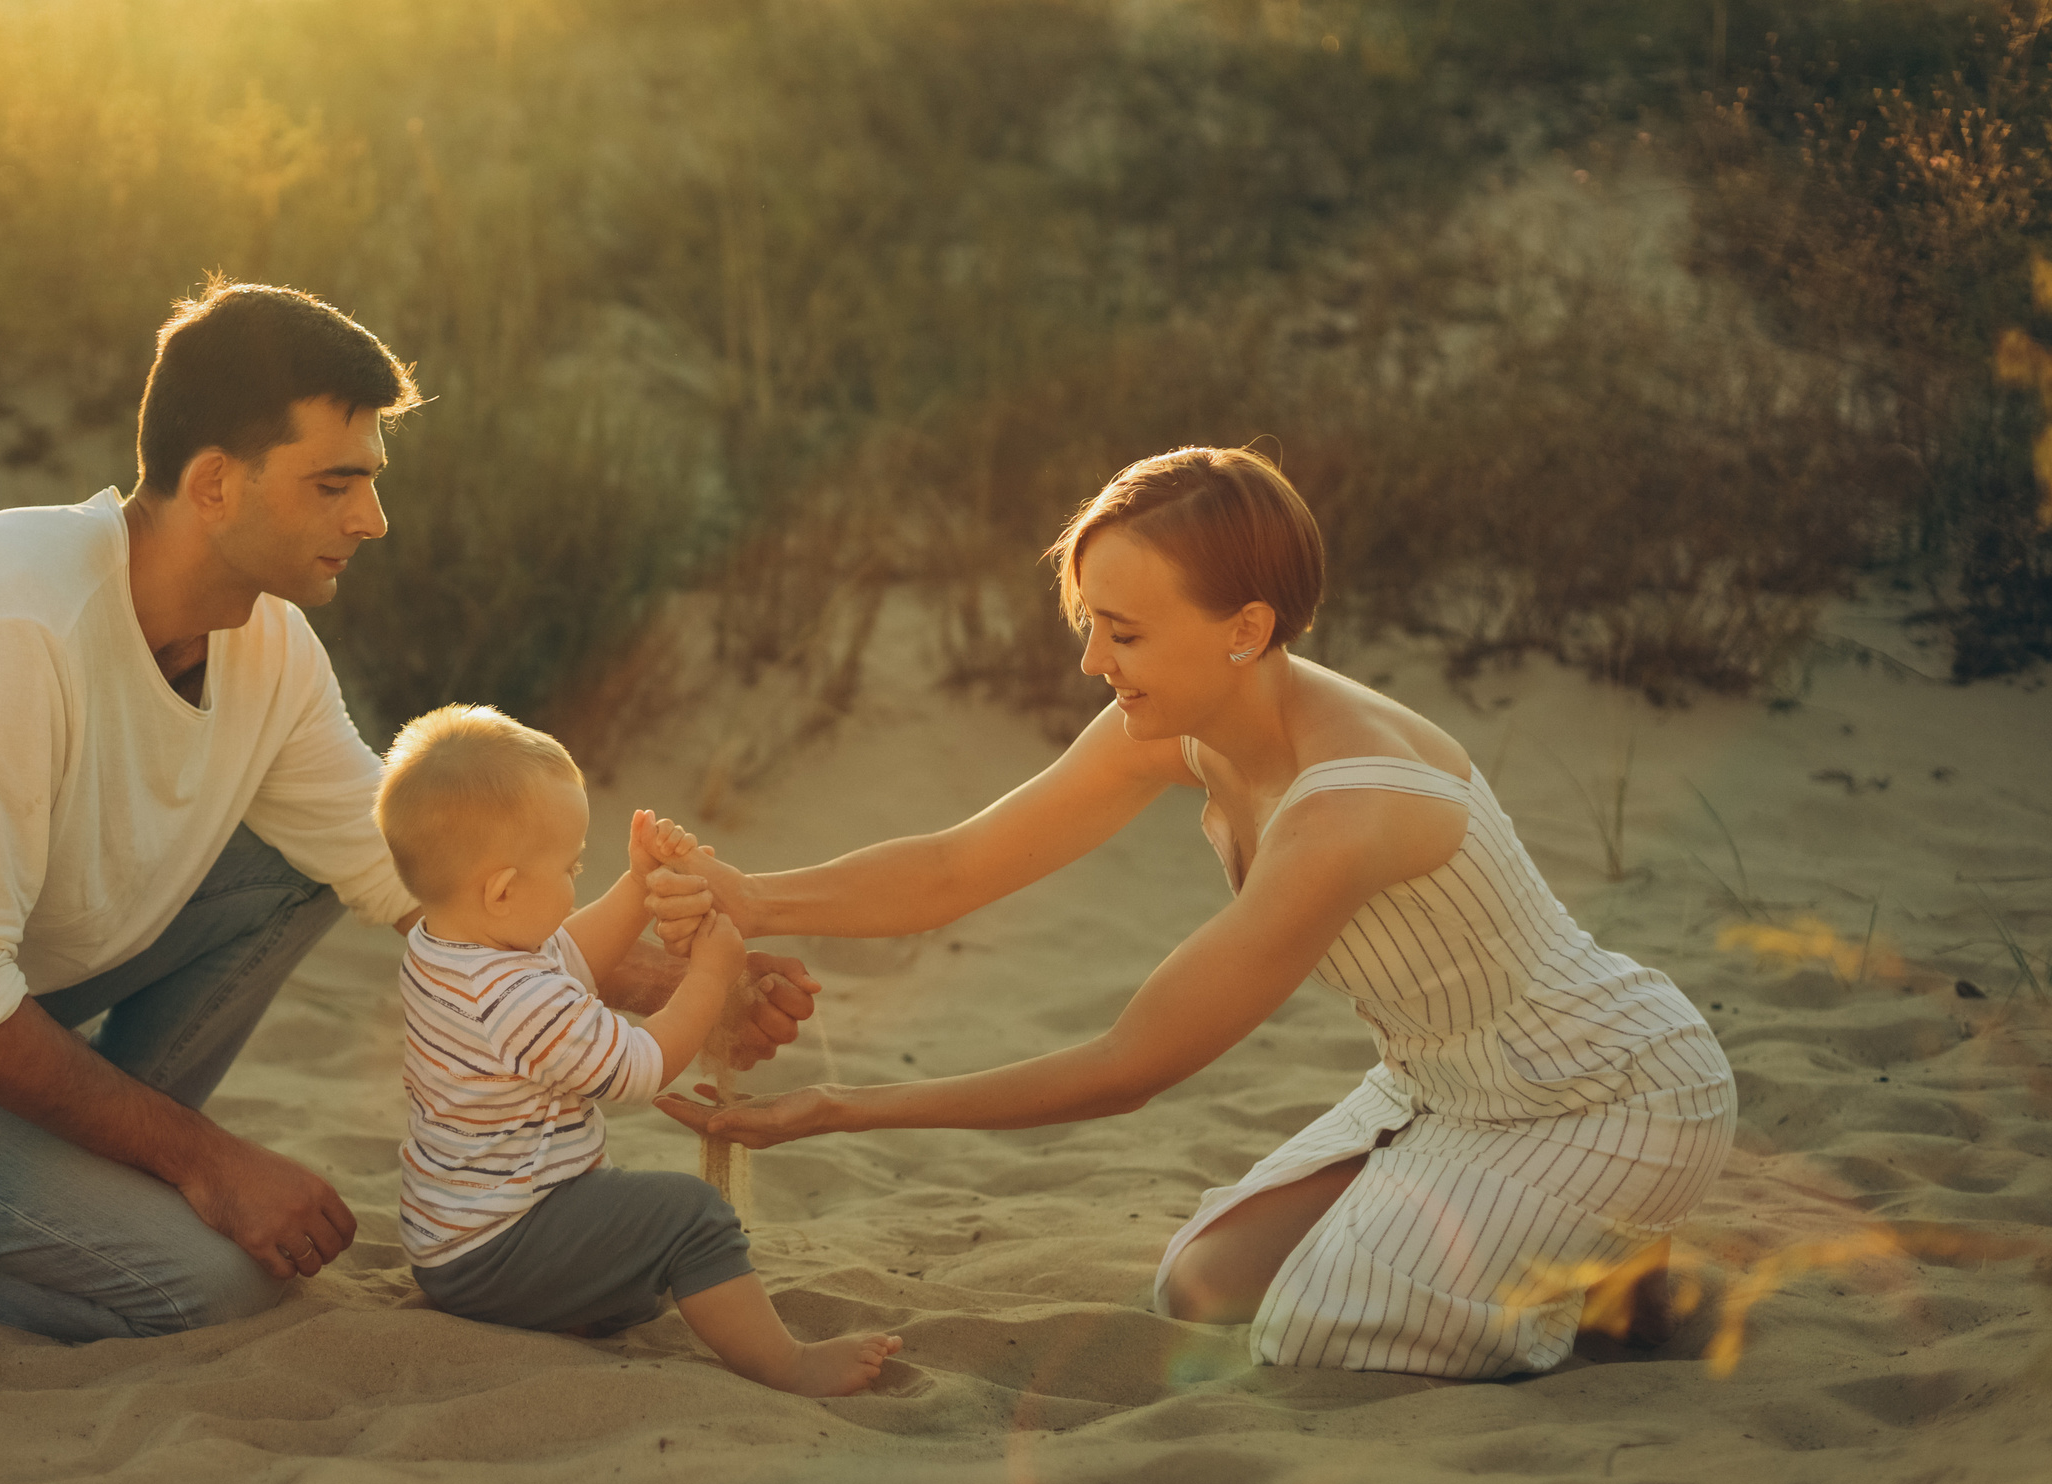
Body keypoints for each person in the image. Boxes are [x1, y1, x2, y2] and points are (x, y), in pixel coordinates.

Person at [0, 279, 816, 1341]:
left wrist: (658, 984)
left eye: (370, 484)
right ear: (213, 483)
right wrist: (211, 1164)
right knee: (211, 1285)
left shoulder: (267, 643)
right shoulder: (16, 626)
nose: (373, 521)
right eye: (334, 484)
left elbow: (406, 872)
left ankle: (59, 1171)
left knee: (311, 856)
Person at [657, 446, 1735, 1380]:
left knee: (1321, 1331)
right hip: (1443, 1088)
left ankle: (1605, 1270)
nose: (1092, 663)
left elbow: (1132, 1064)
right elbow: (955, 868)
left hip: (1605, 1092)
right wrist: (753, 899)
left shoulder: (1348, 806)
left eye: (1121, 632)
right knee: (1202, 1288)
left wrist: (842, 1110)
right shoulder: (1184, 716)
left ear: (1245, 626)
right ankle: (1541, 1245)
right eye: (1091, 624)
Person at [378, 705, 901, 1395]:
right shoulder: (513, 998)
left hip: (458, 1238)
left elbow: (572, 955)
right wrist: (711, 977)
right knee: (690, 1216)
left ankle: (571, 1305)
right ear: (502, 891)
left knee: (637, 1267)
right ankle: (788, 1363)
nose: (574, 882)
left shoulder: (452, 947)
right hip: (500, 1245)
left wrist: (637, 886)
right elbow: (638, 1065)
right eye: (571, 867)